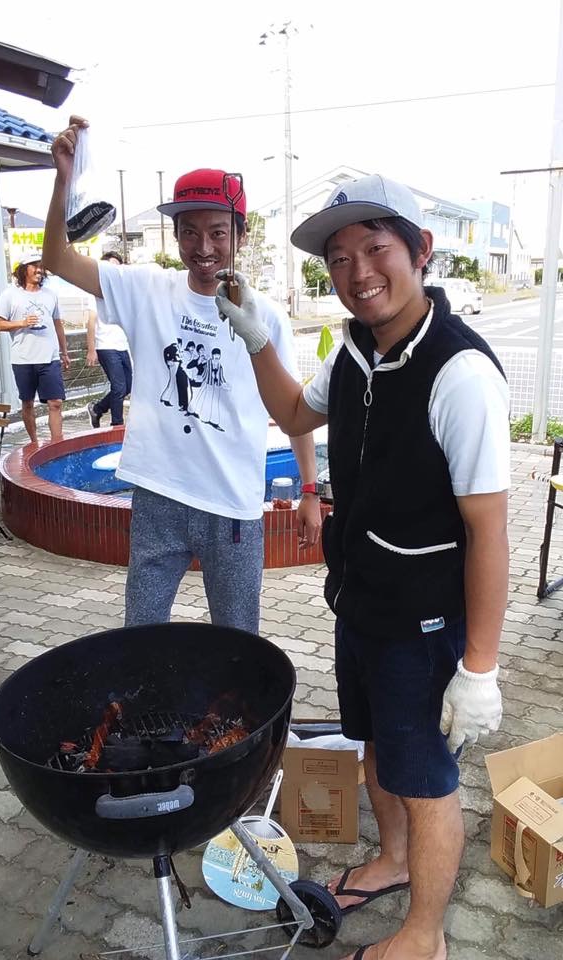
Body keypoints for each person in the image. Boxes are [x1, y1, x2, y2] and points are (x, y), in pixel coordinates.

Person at [216, 174, 510, 960]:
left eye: (376, 249)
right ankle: (393, 860)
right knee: (377, 745)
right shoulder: (352, 353)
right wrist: (257, 338)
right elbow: (293, 413)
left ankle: (425, 935)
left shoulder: (460, 373)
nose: (358, 272)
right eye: (339, 259)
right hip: (363, 602)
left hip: (425, 621)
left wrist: (479, 669)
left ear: (421, 251)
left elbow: (489, 532)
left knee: (426, 778)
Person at [43, 115, 321, 634]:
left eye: (218, 232)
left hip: (232, 505)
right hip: (159, 496)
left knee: (238, 642)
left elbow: (294, 410)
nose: (204, 248)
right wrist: (64, 179)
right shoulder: (148, 289)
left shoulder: (266, 317)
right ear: (175, 236)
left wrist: (309, 489)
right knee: (142, 634)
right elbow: (57, 258)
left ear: (240, 235)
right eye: (189, 232)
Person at [0, 253, 69, 443]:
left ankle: (56, 444)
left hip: (50, 358)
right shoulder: (10, 294)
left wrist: (64, 352)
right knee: (27, 403)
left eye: (41, 266)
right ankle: (34, 442)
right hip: (23, 359)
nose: (39, 270)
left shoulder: (50, 295)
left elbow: (57, 324)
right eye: (34, 266)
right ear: (23, 269)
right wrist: (22, 323)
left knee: (56, 402)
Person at [86, 251, 133, 428]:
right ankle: (117, 425)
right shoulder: (96, 291)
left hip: (122, 346)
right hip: (106, 346)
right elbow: (91, 322)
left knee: (128, 385)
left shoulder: (123, 293)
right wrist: (91, 349)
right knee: (119, 386)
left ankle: (97, 409)